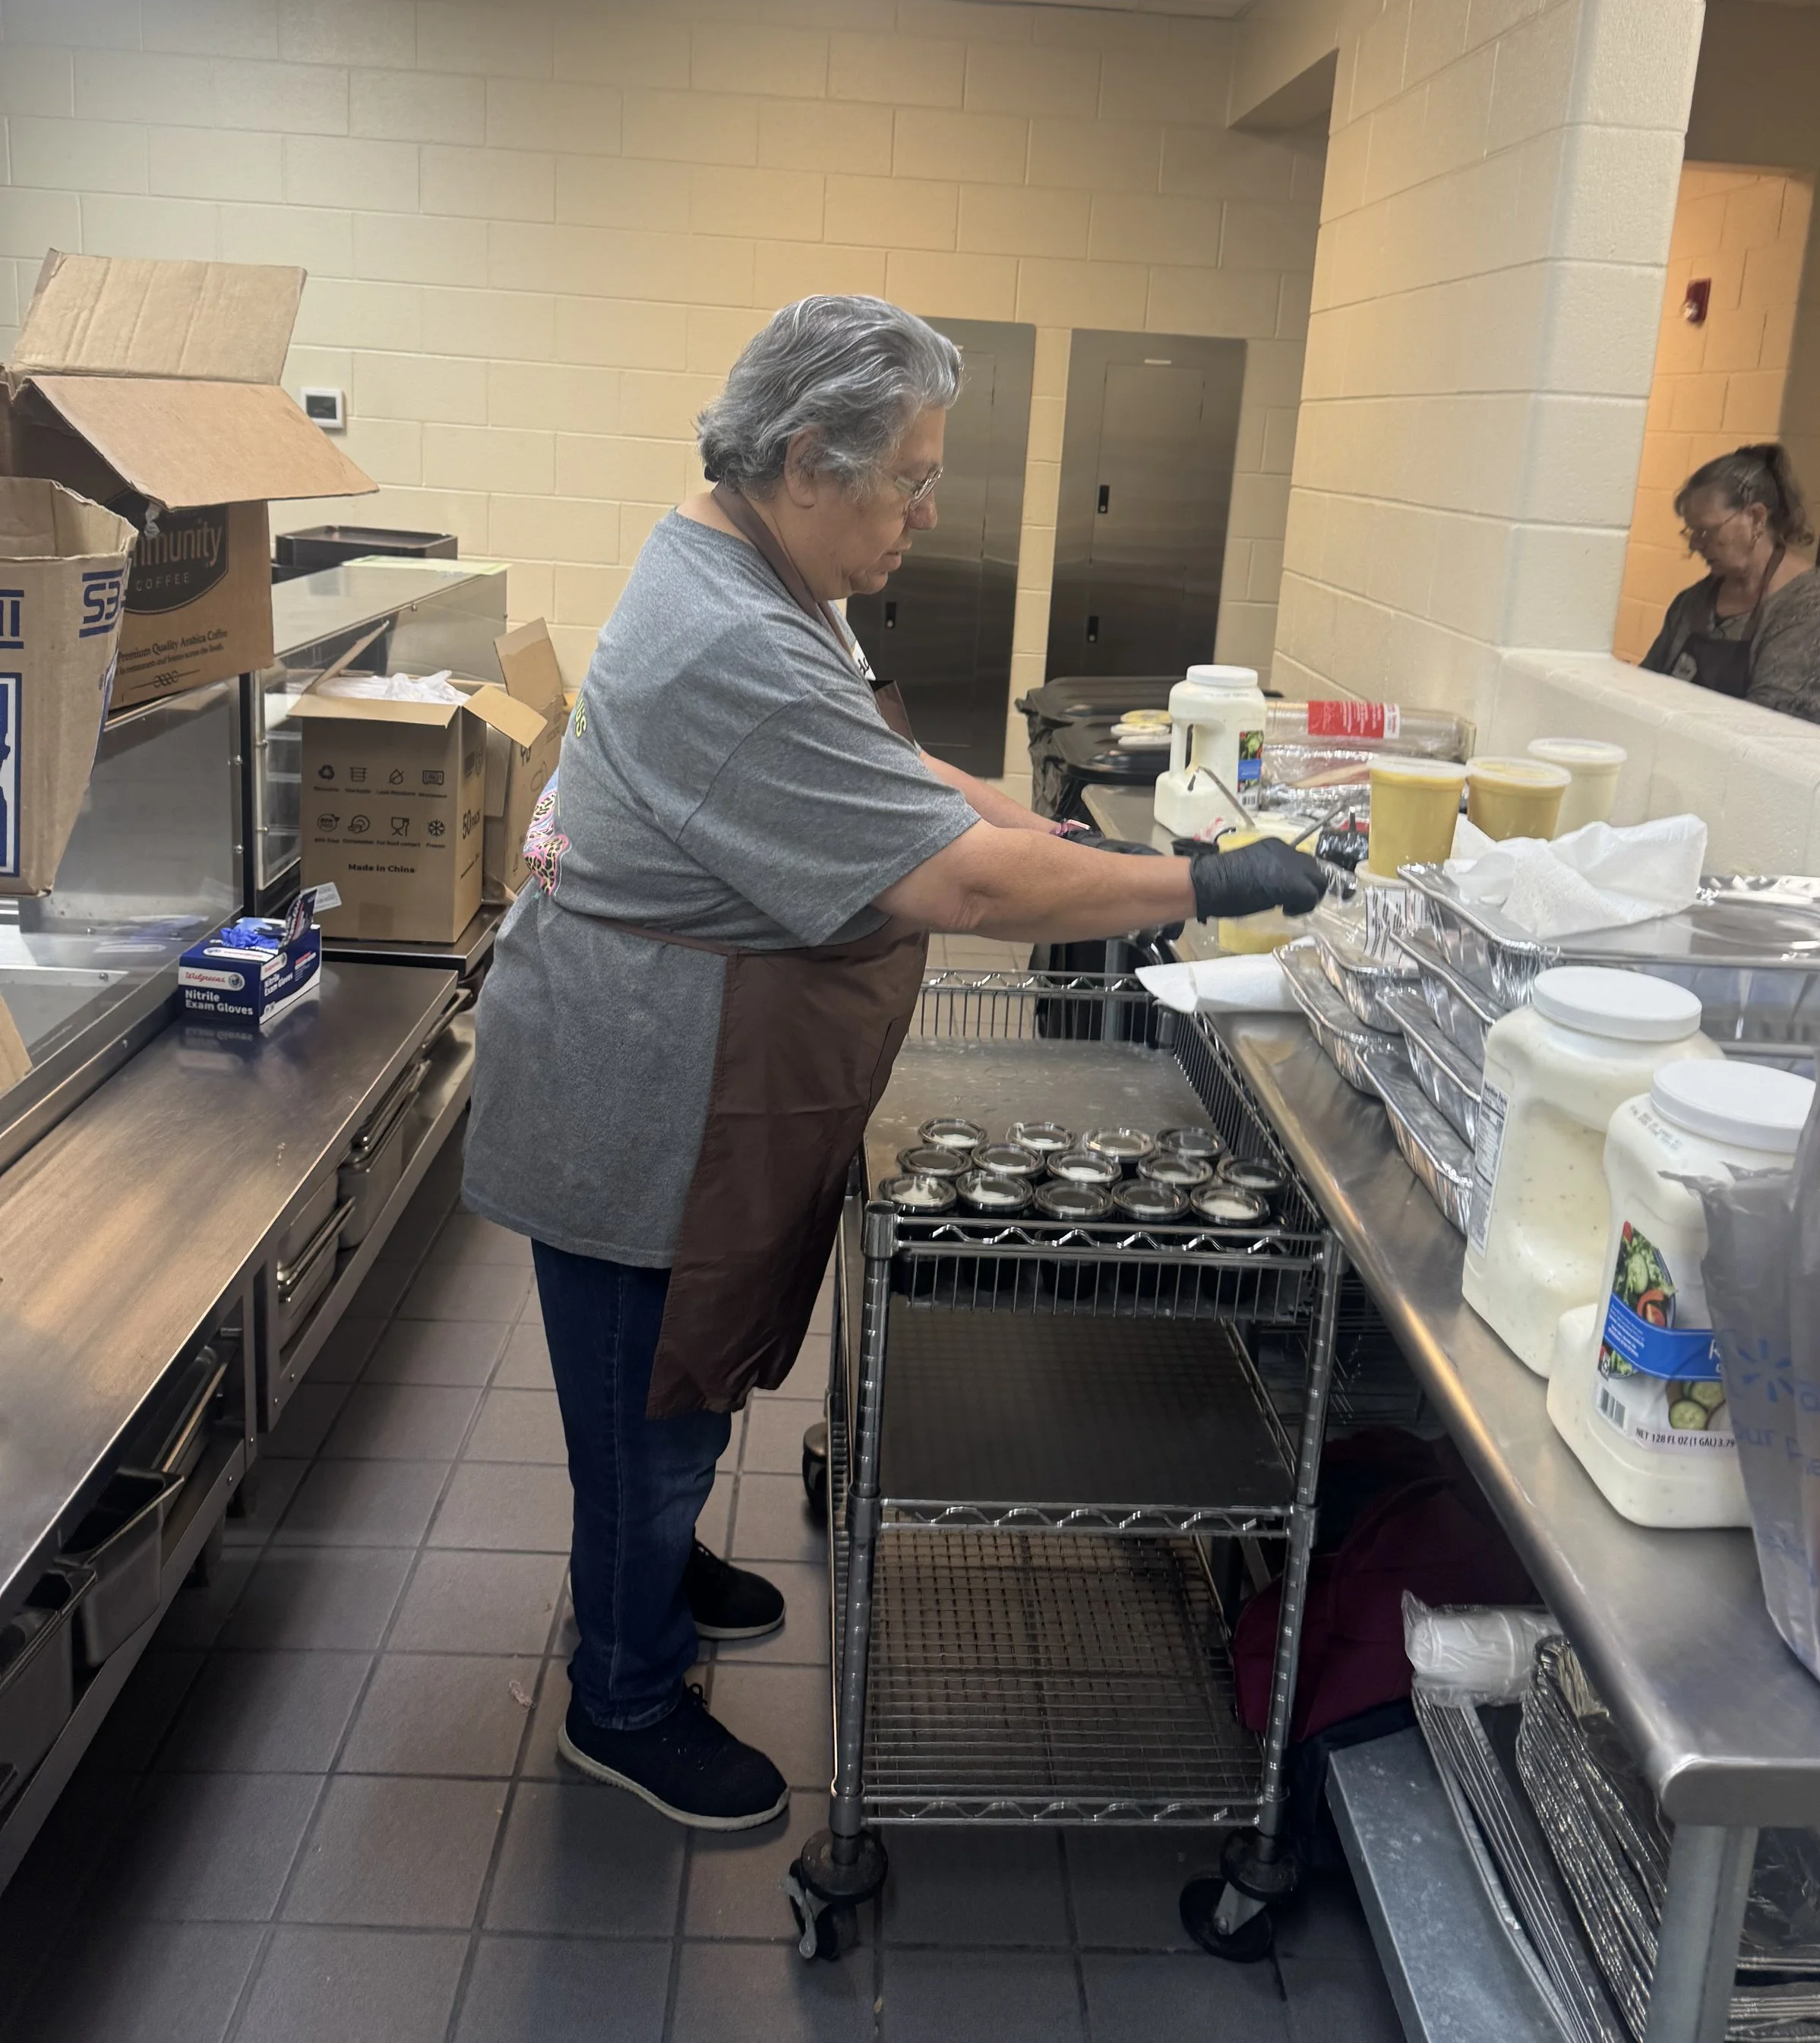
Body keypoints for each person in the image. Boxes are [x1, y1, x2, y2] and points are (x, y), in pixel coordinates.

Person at [463, 295, 1326, 1832]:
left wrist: (1032, 818)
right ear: (808, 461)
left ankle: (653, 1567)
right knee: (640, 1406)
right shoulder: (726, 635)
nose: (926, 513)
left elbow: (882, 767)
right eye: (911, 481)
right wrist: (1199, 879)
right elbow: (966, 893)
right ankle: (624, 1696)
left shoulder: (749, 563)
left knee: (673, 1385)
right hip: (634, 1091)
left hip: (682, 1059)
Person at [1641, 443, 1820, 726]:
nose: (1694, 545)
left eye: (1706, 530)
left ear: (1756, 518)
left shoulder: (1816, 606)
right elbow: (1647, 688)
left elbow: (1768, 727)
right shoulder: (1693, 602)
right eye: (1692, 532)